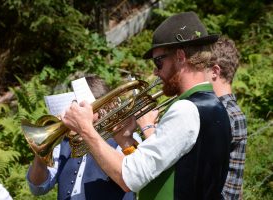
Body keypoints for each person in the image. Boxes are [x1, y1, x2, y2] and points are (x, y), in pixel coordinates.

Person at [62, 11, 232, 199]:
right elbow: (160, 171)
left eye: (158, 61)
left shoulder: (186, 110)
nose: (155, 71)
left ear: (180, 56)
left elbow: (129, 179)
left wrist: (85, 129)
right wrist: (125, 142)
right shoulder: (215, 106)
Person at [26, 75, 136, 200]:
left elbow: (132, 177)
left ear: (103, 106)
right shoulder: (64, 143)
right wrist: (41, 153)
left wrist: (87, 132)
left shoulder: (123, 135)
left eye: (81, 106)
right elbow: (38, 188)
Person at [205, 36, 247, 199]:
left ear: (215, 72)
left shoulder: (224, 114)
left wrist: (149, 127)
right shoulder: (229, 110)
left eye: (202, 70)